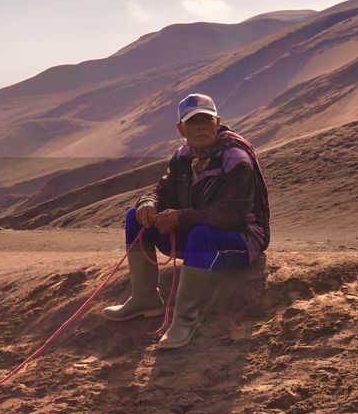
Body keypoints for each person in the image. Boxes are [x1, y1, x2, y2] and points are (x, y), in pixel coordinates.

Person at [101, 93, 269, 349]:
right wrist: (149, 201)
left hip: (242, 239)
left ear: (217, 121)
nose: (200, 126)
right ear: (181, 129)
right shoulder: (182, 156)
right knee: (134, 217)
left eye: (205, 119)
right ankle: (144, 298)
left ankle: (185, 318)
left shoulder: (236, 159)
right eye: (192, 122)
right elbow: (163, 189)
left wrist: (181, 217)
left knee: (201, 233)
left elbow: (231, 214)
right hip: (197, 233)